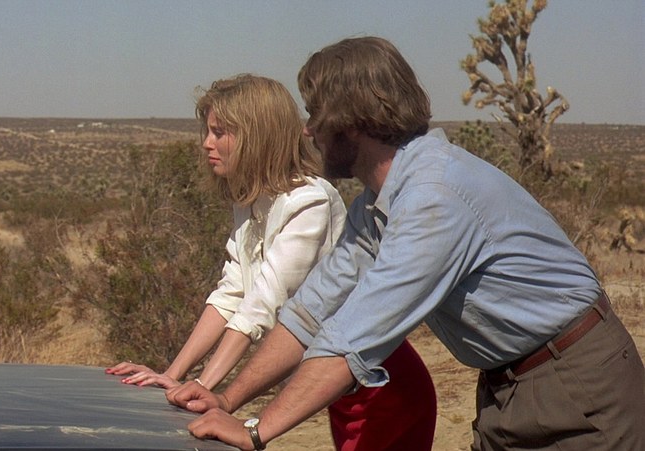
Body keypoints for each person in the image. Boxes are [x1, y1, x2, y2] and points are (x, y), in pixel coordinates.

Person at [167, 37, 645, 451]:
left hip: (576, 382)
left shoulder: (433, 198)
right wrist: (227, 399)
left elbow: (352, 338)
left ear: (350, 121)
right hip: (507, 384)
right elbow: (310, 313)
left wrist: (255, 431)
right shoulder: (378, 205)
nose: (308, 130)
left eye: (315, 114)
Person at [107, 73, 437, 450]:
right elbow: (232, 292)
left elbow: (263, 304)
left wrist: (207, 388)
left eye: (219, 133)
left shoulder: (308, 202)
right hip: (334, 386)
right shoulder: (252, 201)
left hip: (380, 386)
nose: (206, 143)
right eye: (208, 131)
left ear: (257, 136)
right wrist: (173, 375)